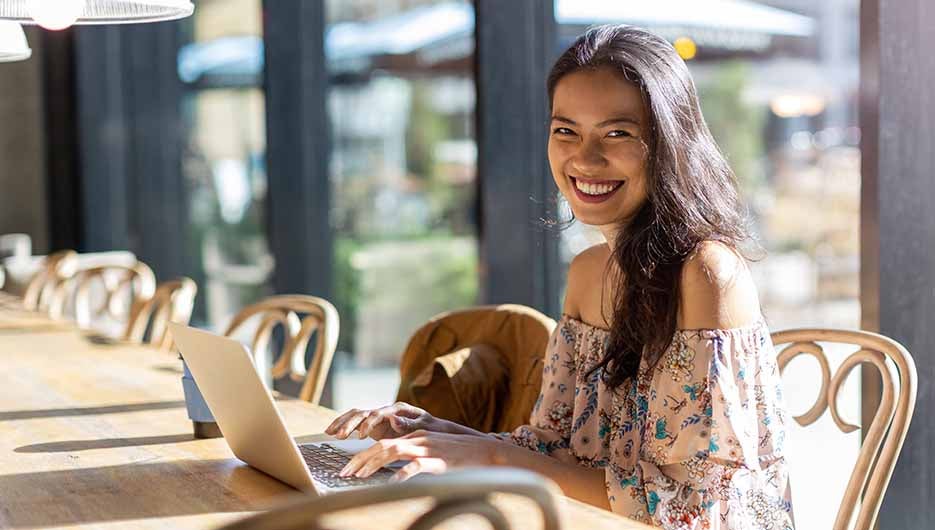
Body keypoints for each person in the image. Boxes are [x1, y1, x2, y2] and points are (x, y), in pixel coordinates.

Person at [326, 24, 794, 529]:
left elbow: (697, 507)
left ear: (669, 142)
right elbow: (553, 447)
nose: (584, 159)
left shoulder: (706, 273)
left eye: (618, 133)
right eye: (565, 130)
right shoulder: (588, 271)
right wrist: (432, 432)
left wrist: (489, 458)